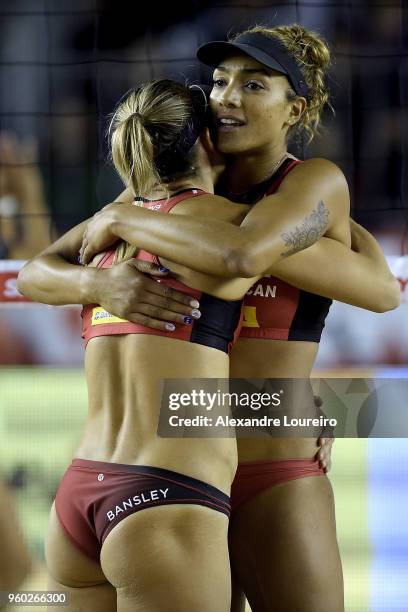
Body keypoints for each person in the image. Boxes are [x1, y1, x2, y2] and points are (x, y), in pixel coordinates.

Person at [19, 26, 400, 612]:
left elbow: (377, 290)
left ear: (293, 108)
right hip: (181, 464)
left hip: (266, 468)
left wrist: (124, 222)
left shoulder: (307, 186)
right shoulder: (166, 195)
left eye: (253, 85)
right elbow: (36, 275)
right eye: (220, 82)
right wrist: (97, 282)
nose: (228, 96)